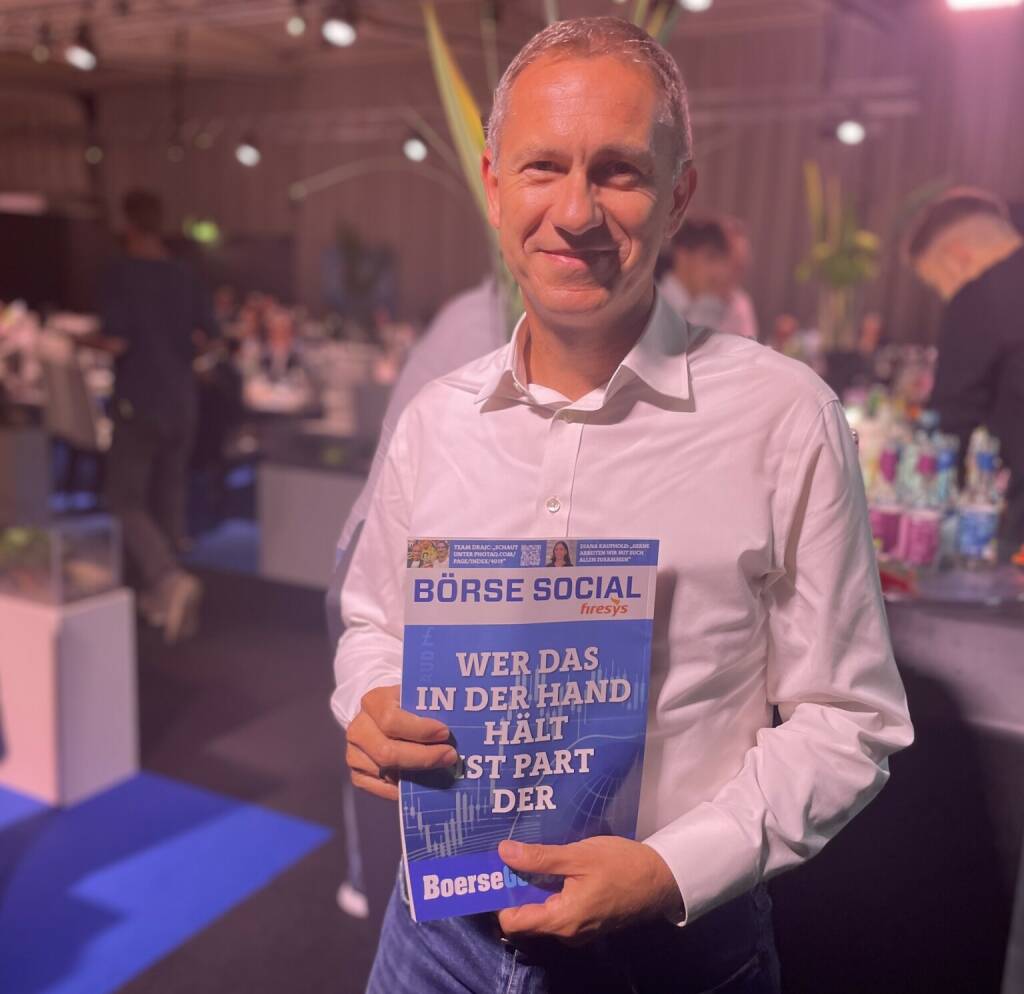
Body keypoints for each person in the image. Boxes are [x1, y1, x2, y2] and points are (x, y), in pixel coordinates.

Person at [333, 17, 913, 994]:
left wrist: (672, 870)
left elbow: (848, 717)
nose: (574, 211)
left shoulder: (783, 417)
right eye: (542, 168)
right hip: (437, 939)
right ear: (494, 185)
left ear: (677, 193)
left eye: (618, 172)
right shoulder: (435, 420)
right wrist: (372, 702)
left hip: (671, 956)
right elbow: (372, 624)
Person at [100, 189, 213, 642]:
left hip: (140, 398)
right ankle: (163, 598)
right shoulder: (184, 275)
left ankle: (166, 578)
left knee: (123, 498)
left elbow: (116, 341)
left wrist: (74, 342)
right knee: (167, 496)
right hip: (181, 400)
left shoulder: (121, 274)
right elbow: (207, 337)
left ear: (127, 223)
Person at [903, 186, 1024, 554]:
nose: (946, 296)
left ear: (957, 257)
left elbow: (948, 431)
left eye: (938, 284)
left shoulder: (979, 298)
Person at [657, 215, 733, 331]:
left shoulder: (710, 309)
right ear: (683, 255)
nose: (718, 271)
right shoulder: (654, 304)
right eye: (710, 258)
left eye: (721, 261)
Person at [718, 216, 759, 340]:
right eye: (734, 263)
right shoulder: (691, 299)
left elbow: (750, 346)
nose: (737, 273)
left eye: (741, 265)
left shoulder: (741, 304)